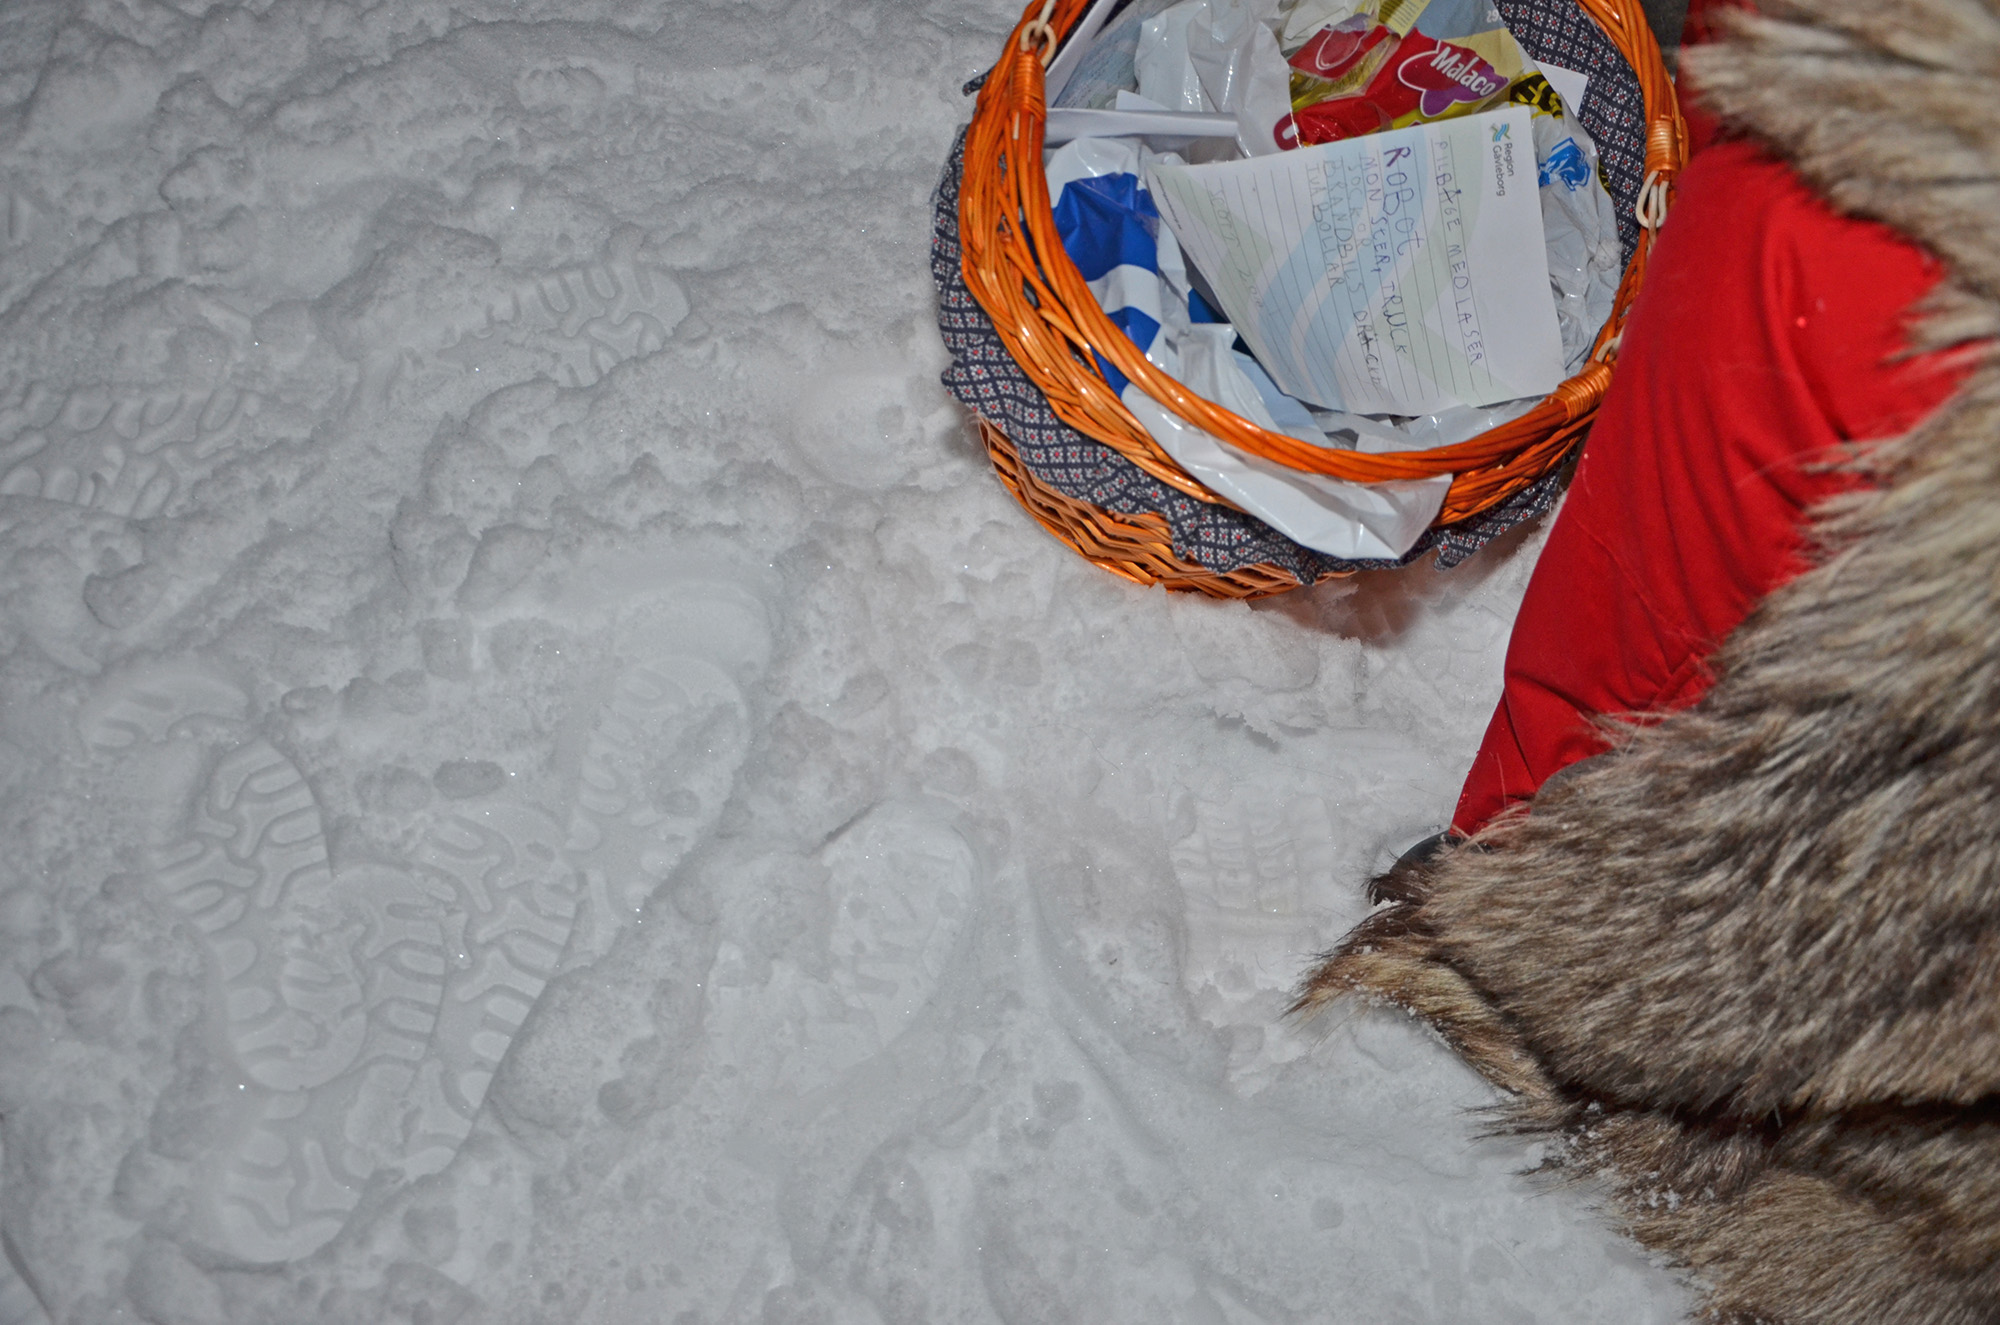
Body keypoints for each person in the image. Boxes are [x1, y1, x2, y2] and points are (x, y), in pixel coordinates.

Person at [1296, 0, 2000, 1316]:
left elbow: (1642, 641)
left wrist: (1525, 905)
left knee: (1804, 265)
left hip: (1854, 1107)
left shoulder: (1834, 247)